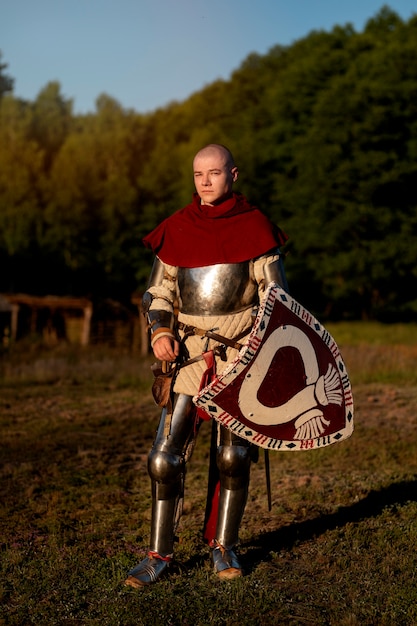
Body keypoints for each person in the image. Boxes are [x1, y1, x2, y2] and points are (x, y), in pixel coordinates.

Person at [125, 144, 288, 588]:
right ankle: (159, 554)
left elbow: (277, 299)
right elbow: (157, 294)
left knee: (233, 456)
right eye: (199, 174)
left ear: (233, 174)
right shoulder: (178, 229)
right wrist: (160, 332)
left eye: (214, 173)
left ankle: (224, 546)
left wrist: (263, 349)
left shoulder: (255, 228)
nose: (205, 182)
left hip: (240, 354)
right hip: (190, 355)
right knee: (163, 459)